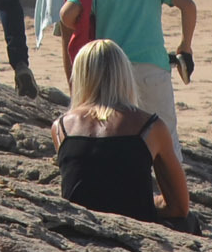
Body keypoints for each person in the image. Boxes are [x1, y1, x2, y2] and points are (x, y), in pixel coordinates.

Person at [60, 0, 195, 145]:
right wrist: (185, 44)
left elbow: (66, 14)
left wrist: (86, 22)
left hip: (113, 72)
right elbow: (188, 6)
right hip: (153, 68)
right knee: (165, 133)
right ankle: (167, 176)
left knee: (119, 134)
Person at [54, 39, 192, 227]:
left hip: (80, 227)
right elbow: (179, 207)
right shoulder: (151, 127)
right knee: (189, 222)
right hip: (135, 227)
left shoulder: (61, 128)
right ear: (125, 74)